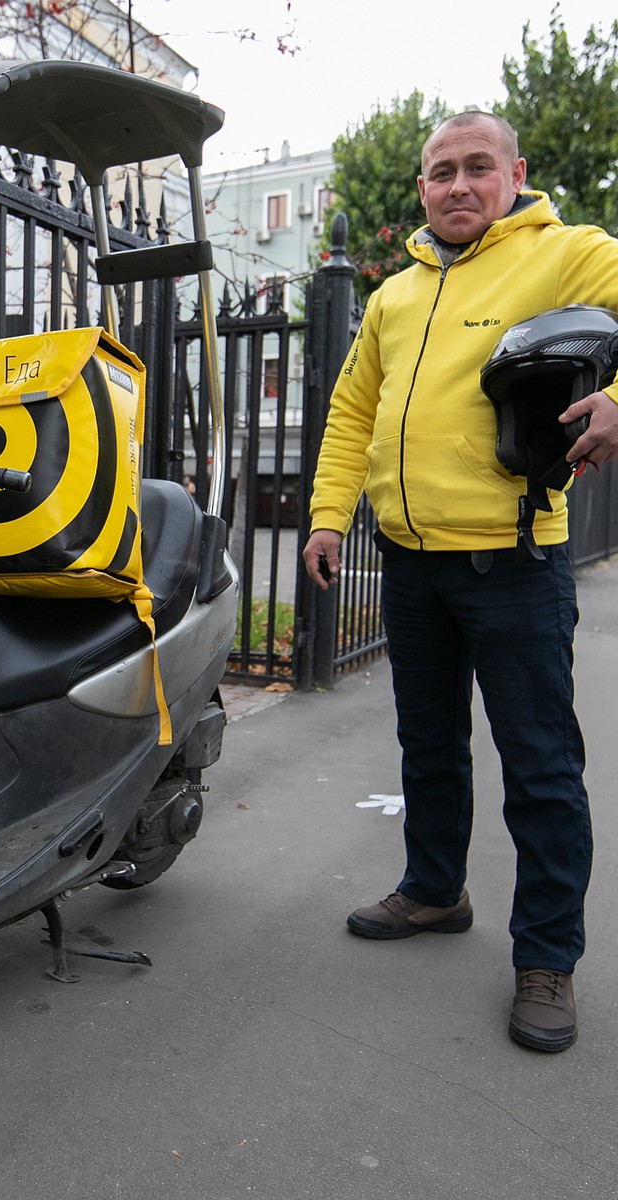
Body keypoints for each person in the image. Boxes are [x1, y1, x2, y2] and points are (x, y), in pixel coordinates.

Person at [302, 111, 618, 1053]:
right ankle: (437, 891)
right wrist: (326, 516)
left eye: (479, 168)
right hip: (411, 563)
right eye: (441, 172)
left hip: (515, 562)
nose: (458, 186)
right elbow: (354, 407)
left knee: (541, 770)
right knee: (428, 748)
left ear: (515, 173)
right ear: (422, 189)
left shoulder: (565, 253)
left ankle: (548, 958)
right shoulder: (396, 295)